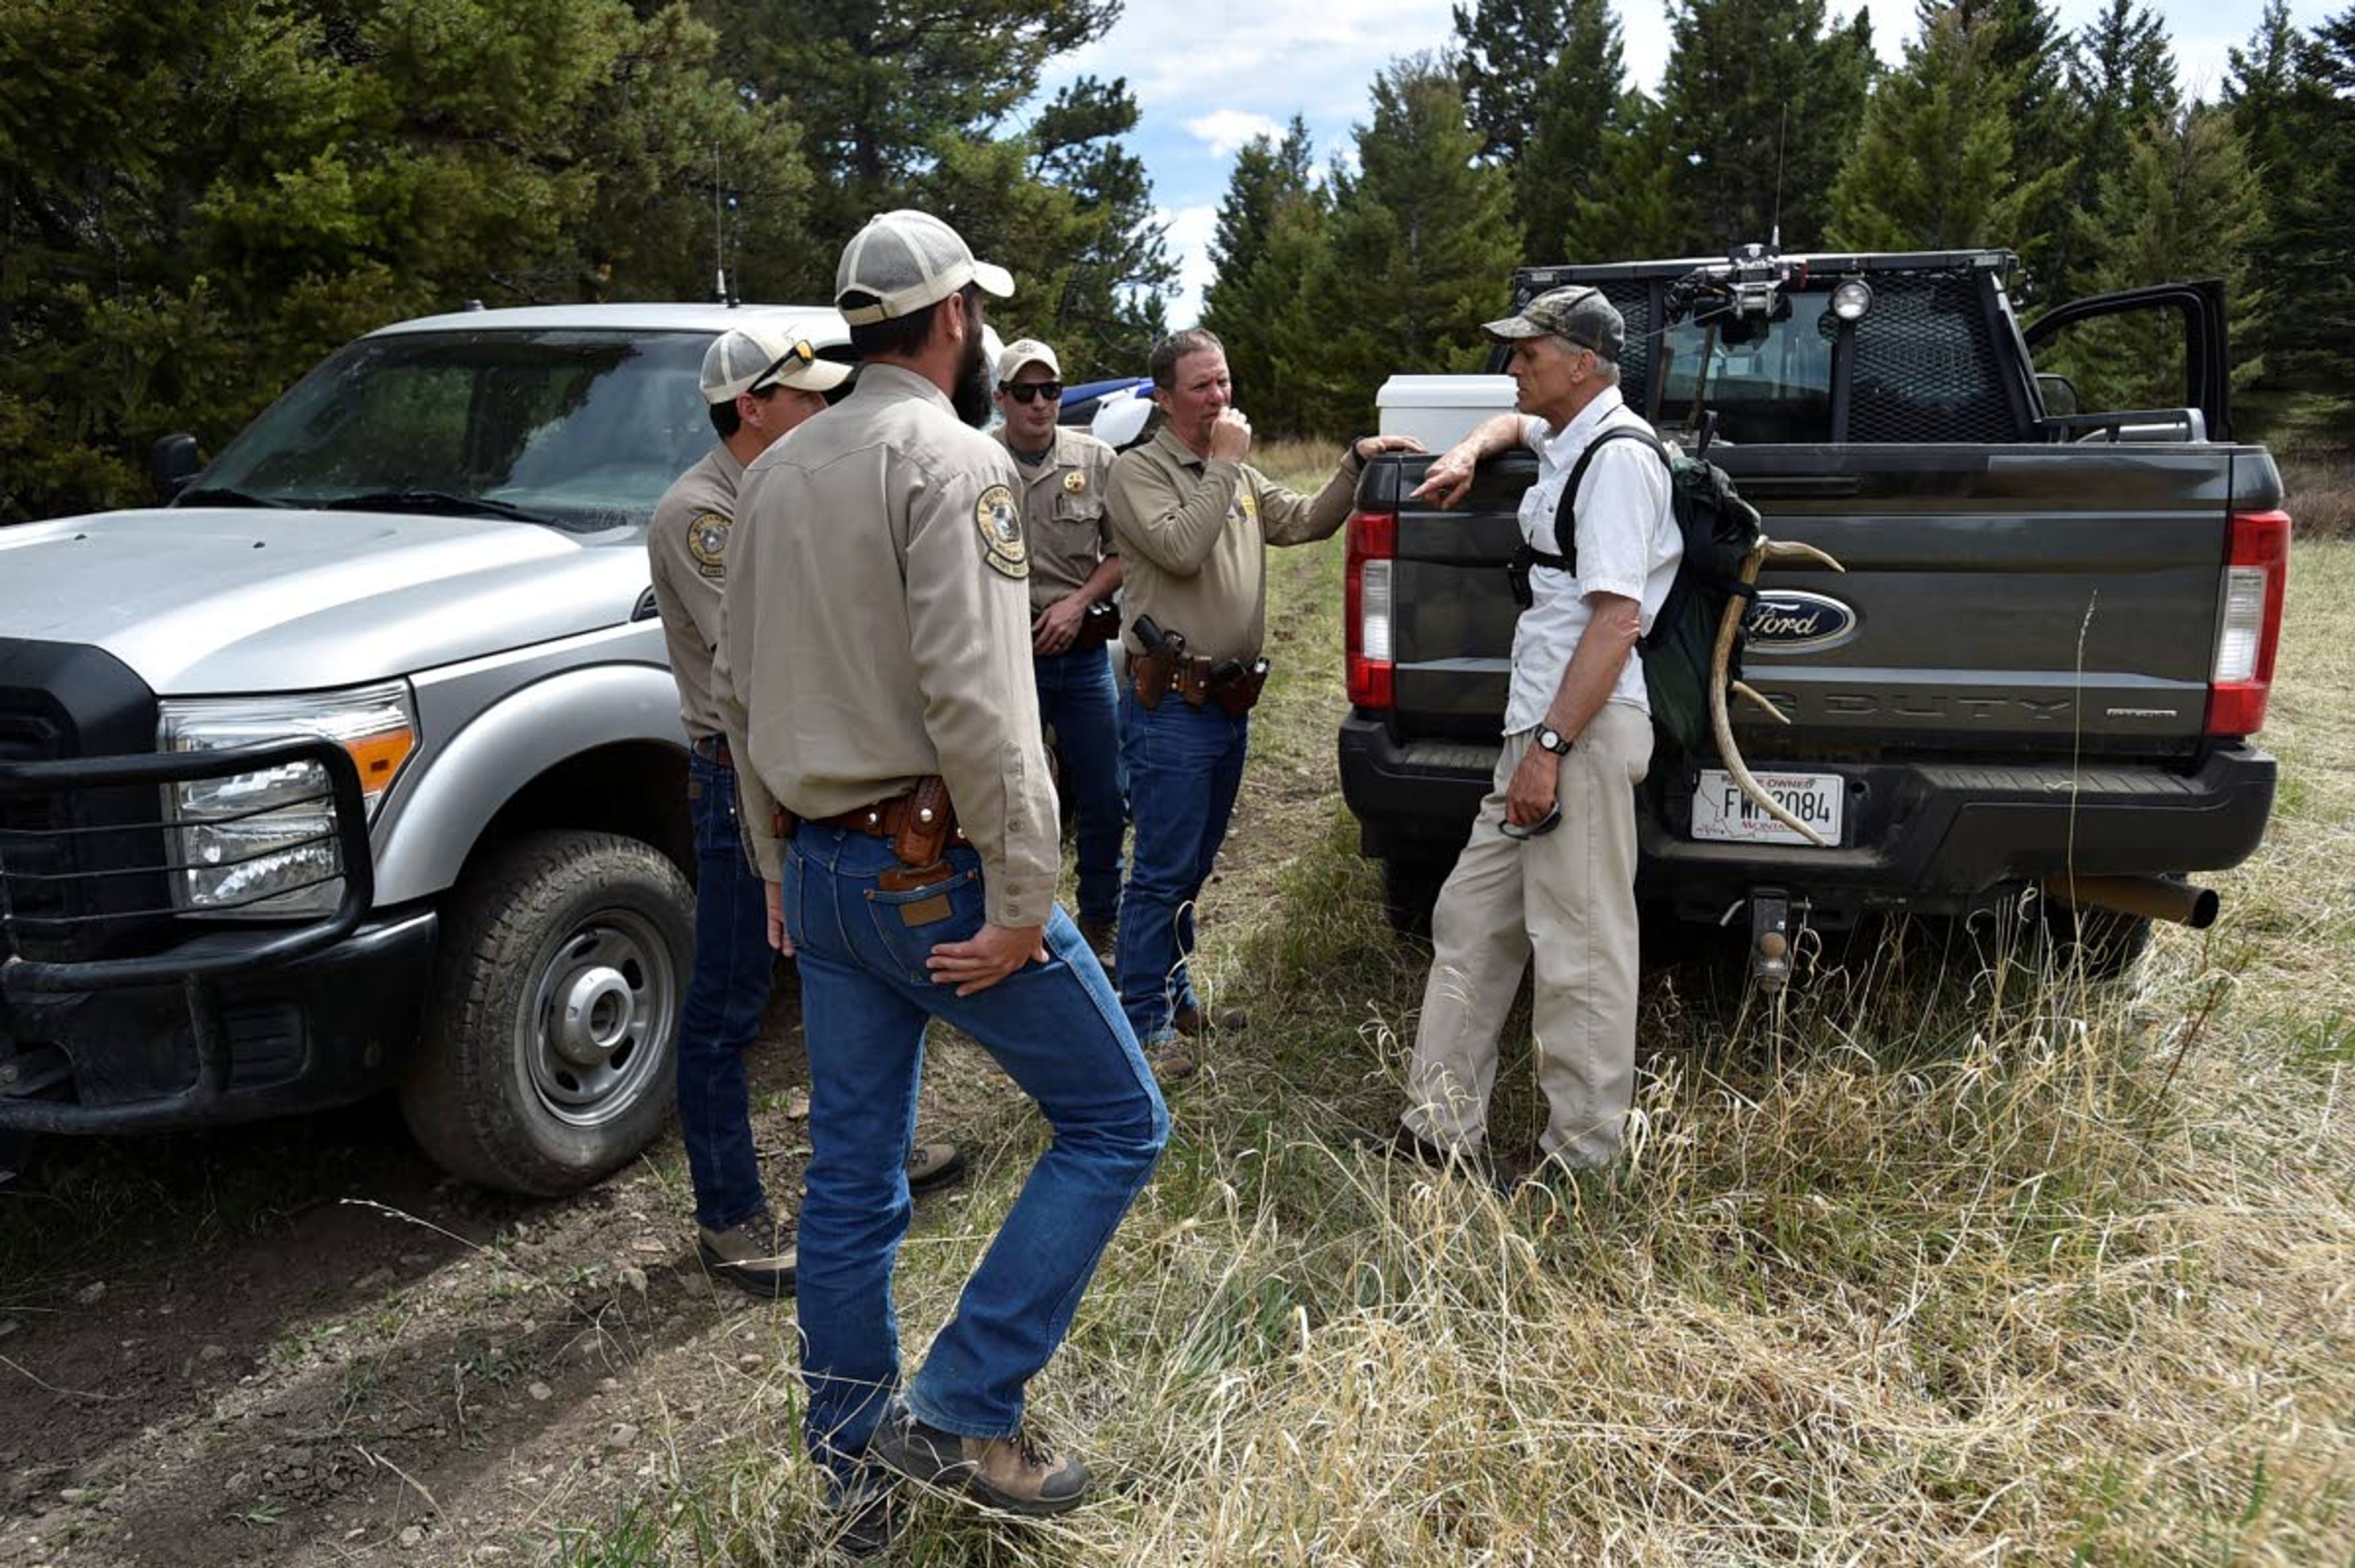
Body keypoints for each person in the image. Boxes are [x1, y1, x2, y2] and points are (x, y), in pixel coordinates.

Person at [716, 210, 1168, 1533]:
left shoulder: (779, 469)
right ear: (957, 317)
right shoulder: (952, 457)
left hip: (825, 875)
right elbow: (982, 701)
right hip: (934, 874)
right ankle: (965, 1409)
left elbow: (737, 697)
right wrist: (1027, 898)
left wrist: (774, 867)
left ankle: (859, 1479)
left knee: (852, 1184)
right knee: (1118, 1121)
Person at [649, 326, 967, 1298]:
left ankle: (880, 1152)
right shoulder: (703, 513)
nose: (826, 407)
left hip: (802, 764)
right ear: (751, 406)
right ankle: (731, 1217)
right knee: (731, 1003)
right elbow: (759, 648)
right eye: (803, 395)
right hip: (738, 772)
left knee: (866, 970)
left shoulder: (784, 489)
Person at [1393, 285, 1680, 1179]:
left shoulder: (1622, 462)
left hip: (1579, 731)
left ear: (1582, 363)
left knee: (1581, 946)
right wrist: (1471, 448)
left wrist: (1551, 751)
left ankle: (1584, 1160)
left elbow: (1615, 622)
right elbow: (1517, 430)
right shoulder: (1570, 437)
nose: (1512, 367)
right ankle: (1438, 1130)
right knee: (1473, 919)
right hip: (1540, 727)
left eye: (1528, 353)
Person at [1104, 328, 1420, 1077]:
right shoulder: (1140, 473)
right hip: (1172, 705)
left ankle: (1173, 994)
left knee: (1194, 864)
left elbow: (1304, 521)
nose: (1221, 396)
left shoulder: (1235, 475)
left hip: (1227, 703)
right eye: (1202, 387)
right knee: (1160, 868)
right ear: (1164, 398)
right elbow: (1181, 548)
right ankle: (1141, 1022)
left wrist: (1353, 463)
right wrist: (1222, 465)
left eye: (1224, 381)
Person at [991, 337, 1125, 962]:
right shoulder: (975, 460)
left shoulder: (1096, 459)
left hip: (1081, 655)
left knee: (1104, 792)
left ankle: (1101, 920)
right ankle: (1015, 925)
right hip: (1002, 660)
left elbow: (1124, 552)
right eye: (1026, 392)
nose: (1041, 403)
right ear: (1002, 399)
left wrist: (1076, 606)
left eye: (1051, 390)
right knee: (1008, 799)